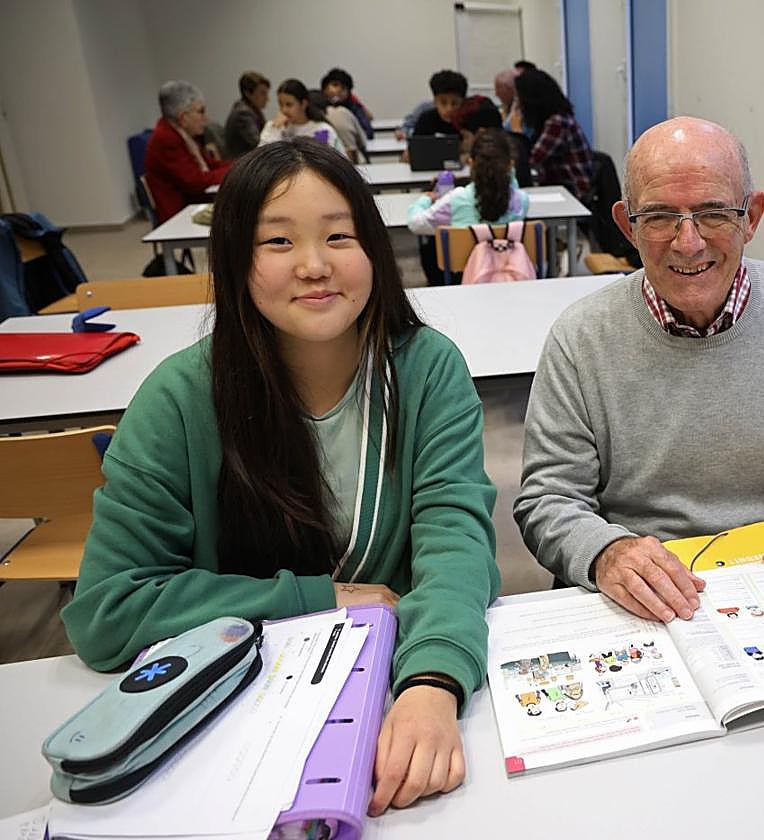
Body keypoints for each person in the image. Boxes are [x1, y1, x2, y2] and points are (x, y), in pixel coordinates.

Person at [62, 138, 500, 813]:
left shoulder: (425, 370)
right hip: (231, 719)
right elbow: (107, 611)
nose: (315, 266)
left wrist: (433, 684)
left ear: (376, 253)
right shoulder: (180, 399)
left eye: (339, 236)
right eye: (277, 242)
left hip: (390, 685)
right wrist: (315, 598)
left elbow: (456, 545)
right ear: (236, 262)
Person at [513, 116, 764, 625]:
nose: (688, 242)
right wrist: (606, 552)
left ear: (752, 217)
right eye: (659, 216)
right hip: (644, 602)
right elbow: (548, 498)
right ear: (626, 226)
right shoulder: (580, 337)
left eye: (713, 213)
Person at [407, 127, 531, 286]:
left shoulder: (457, 199)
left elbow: (416, 224)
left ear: (471, 163)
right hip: (511, 280)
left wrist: (423, 201)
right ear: (510, 166)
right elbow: (512, 188)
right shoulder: (522, 201)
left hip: (464, 283)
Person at [144, 80, 232, 222]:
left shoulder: (182, 134)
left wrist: (239, 166)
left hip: (192, 203)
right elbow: (195, 181)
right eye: (200, 112)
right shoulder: (166, 138)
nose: (205, 118)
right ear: (183, 117)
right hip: (180, 213)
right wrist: (234, 171)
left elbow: (209, 165)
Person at [513, 69, 592, 200]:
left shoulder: (557, 122)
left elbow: (532, 161)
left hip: (572, 191)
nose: (517, 103)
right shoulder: (553, 119)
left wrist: (516, 132)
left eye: (518, 97)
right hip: (558, 186)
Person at [453, 95, 531, 186]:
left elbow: (486, 183)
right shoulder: (511, 142)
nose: (462, 143)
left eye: (465, 137)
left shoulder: (498, 152)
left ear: (481, 133)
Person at [259, 79, 347, 157]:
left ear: (303, 104)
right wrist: (275, 129)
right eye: (280, 104)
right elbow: (261, 159)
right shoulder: (273, 126)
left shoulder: (321, 130)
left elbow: (325, 162)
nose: (283, 110)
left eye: (289, 104)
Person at [309, 88, 367, 163]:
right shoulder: (340, 111)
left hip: (350, 164)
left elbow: (351, 151)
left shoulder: (322, 126)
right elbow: (363, 141)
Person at [225, 71, 271, 159]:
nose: (267, 98)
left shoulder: (252, 110)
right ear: (248, 93)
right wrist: (275, 126)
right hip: (242, 166)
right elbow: (260, 145)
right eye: (262, 93)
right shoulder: (242, 114)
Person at [321, 67, 374, 139]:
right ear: (325, 88)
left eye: (343, 88)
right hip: (324, 146)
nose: (338, 90)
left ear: (349, 93)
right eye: (335, 85)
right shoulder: (317, 106)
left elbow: (368, 133)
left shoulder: (354, 108)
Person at [411, 70, 467, 137]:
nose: (449, 109)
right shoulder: (425, 120)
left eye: (454, 104)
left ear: (463, 102)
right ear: (435, 102)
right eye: (443, 103)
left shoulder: (468, 122)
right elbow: (415, 146)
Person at [493, 68, 522, 134]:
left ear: (512, 89)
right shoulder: (505, 108)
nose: (496, 94)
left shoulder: (521, 110)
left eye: (498, 88)